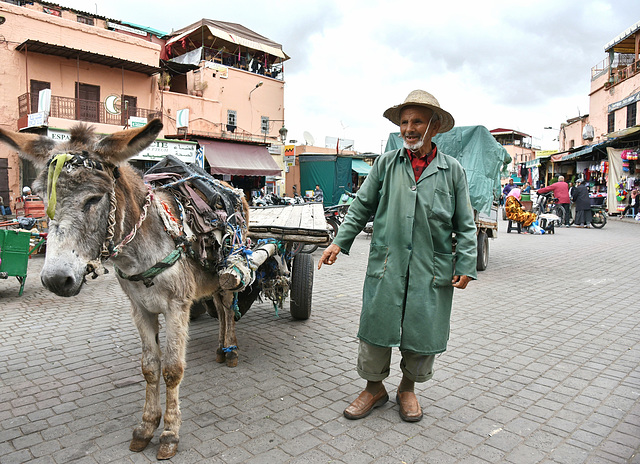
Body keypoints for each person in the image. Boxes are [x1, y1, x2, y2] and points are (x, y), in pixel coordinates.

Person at [318, 90, 477, 423]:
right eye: (404, 122)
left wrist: (465, 263)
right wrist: (339, 242)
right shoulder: (386, 164)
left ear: (433, 126)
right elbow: (361, 205)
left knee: (423, 330)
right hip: (387, 263)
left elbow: (465, 223)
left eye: (417, 121)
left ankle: (408, 389)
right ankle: (373, 387)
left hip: (431, 267)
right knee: (376, 326)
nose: (409, 128)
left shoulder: (453, 171)